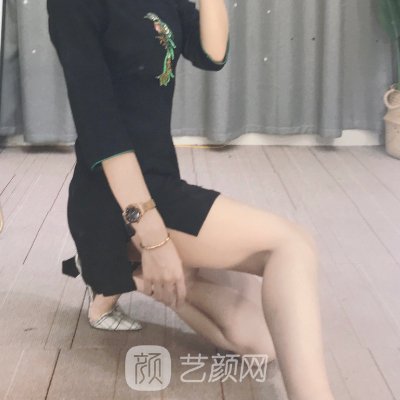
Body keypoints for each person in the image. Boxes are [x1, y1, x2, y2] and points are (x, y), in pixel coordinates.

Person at [47, 0, 336, 398]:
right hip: (114, 197)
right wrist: (153, 235)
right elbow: (100, 126)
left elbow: (211, 55)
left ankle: (135, 276)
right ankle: (113, 260)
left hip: (161, 180)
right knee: (292, 245)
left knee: (266, 344)